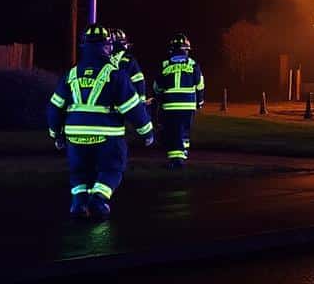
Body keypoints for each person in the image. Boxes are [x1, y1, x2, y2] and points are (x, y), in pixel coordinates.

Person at [47, 23, 154, 220]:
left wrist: (56, 133)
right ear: (108, 46)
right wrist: (146, 131)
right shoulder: (115, 74)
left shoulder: (71, 74)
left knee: (79, 171)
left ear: (83, 46)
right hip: (107, 136)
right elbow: (132, 107)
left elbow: (55, 107)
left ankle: (78, 204)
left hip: (75, 137)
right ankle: (99, 200)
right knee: (112, 168)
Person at [154, 33, 205, 168]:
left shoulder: (165, 64)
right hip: (188, 106)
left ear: (171, 50)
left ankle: (176, 160)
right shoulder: (193, 64)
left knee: (172, 131)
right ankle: (183, 153)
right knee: (184, 131)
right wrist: (199, 102)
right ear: (187, 50)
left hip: (170, 105)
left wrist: (159, 98)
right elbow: (200, 85)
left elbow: (157, 86)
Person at [109, 28, 147, 101]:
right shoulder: (111, 60)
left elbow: (139, 83)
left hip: (125, 105)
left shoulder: (128, 62)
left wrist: (141, 102)